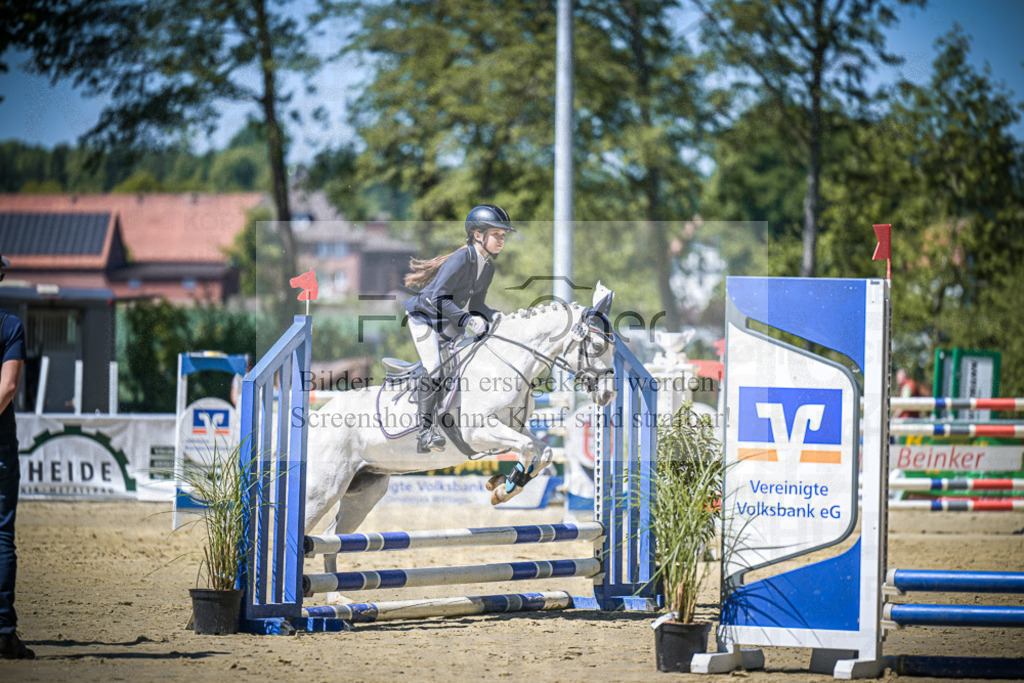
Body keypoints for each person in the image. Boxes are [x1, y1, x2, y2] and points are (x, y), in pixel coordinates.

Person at [402, 205, 514, 453]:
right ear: (477, 235)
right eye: (497, 234)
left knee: (469, 364)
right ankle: (425, 432)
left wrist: (494, 315)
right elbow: (438, 299)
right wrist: (467, 321)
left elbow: (477, 305)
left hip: (449, 321)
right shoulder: (461, 259)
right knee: (435, 369)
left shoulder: (488, 266)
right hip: (425, 318)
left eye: (503, 236)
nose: (501, 240)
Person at [0, 254, 32, 659]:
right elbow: (7, 388)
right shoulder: (10, 326)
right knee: (1, 537)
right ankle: (4, 631)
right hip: (0, 444)